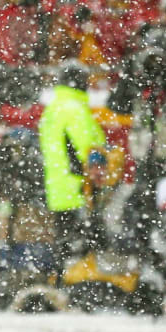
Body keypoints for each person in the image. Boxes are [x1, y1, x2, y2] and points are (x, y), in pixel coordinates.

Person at [38, 62, 107, 264]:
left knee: (64, 251)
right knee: (86, 256)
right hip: (80, 190)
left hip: (57, 191)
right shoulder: (75, 110)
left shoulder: (51, 110)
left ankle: (61, 286)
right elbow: (88, 150)